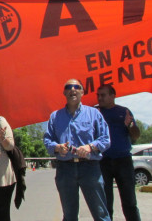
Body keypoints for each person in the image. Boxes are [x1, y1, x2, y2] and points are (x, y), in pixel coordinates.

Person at [43, 79, 111, 221]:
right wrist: (57, 147)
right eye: (68, 87)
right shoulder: (55, 116)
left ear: (82, 91)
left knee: (100, 214)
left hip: (90, 168)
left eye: (76, 87)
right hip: (65, 169)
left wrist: (90, 147)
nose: (72, 89)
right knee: (69, 215)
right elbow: (47, 140)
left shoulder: (94, 114)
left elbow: (105, 139)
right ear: (64, 92)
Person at [96, 85, 142, 221]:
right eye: (98, 95)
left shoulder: (124, 111)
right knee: (105, 203)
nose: (99, 98)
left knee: (130, 202)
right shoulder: (95, 112)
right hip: (103, 161)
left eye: (103, 95)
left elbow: (136, 135)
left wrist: (130, 125)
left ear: (112, 96)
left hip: (123, 161)